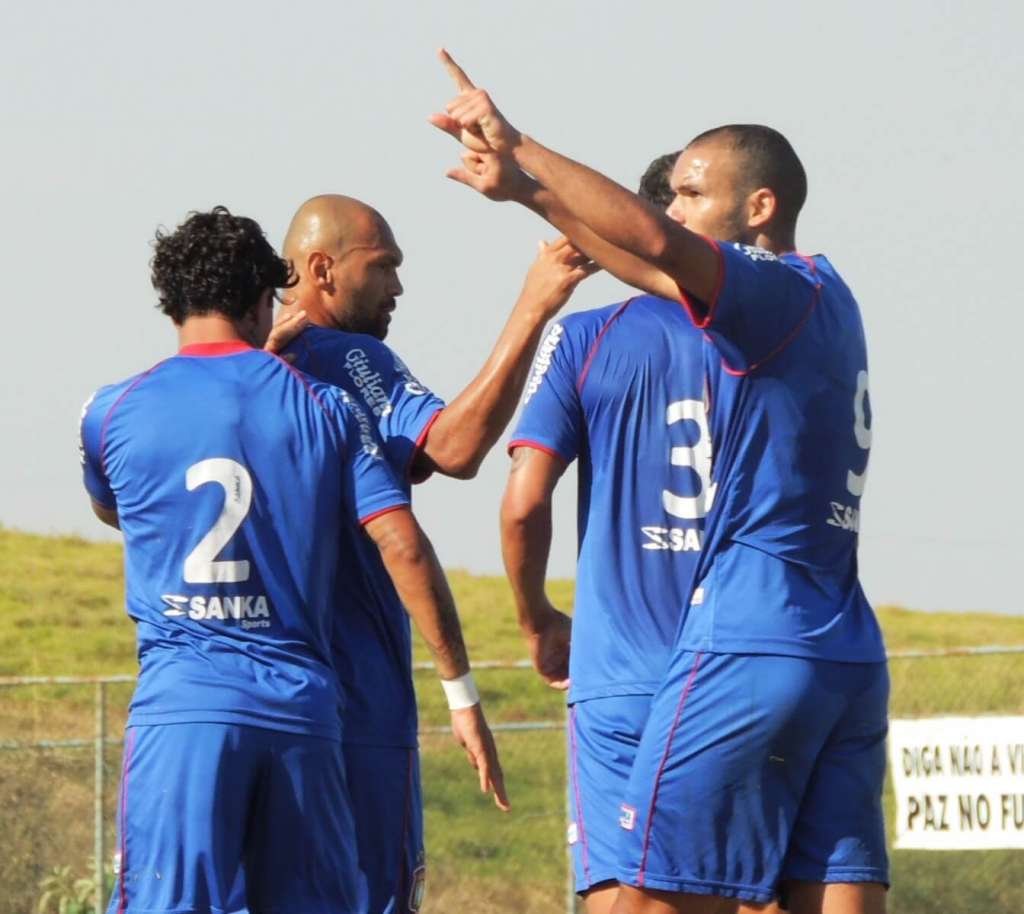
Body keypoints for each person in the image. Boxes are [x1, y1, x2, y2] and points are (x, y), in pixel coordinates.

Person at [432, 51, 889, 914]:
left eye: (686, 192)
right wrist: (529, 194)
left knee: (638, 902)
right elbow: (655, 263)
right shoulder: (829, 296)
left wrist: (519, 143)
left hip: (743, 641)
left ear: (760, 208)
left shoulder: (756, 296)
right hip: (846, 652)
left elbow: (651, 246)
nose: (669, 209)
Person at [80, 206, 504, 914]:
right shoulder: (328, 406)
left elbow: (113, 508)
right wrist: (460, 692)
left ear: (171, 299)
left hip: (182, 712)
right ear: (261, 299)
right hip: (299, 713)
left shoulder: (111, 409)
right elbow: (400, 541)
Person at [263, 193, 595, 914]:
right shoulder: (345, 355)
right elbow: (455, 447)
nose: (398, 288)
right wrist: (533, 307)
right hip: (359, 705)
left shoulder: (223, 380)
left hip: (250, 706)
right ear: (321, 270)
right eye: (383, 267)